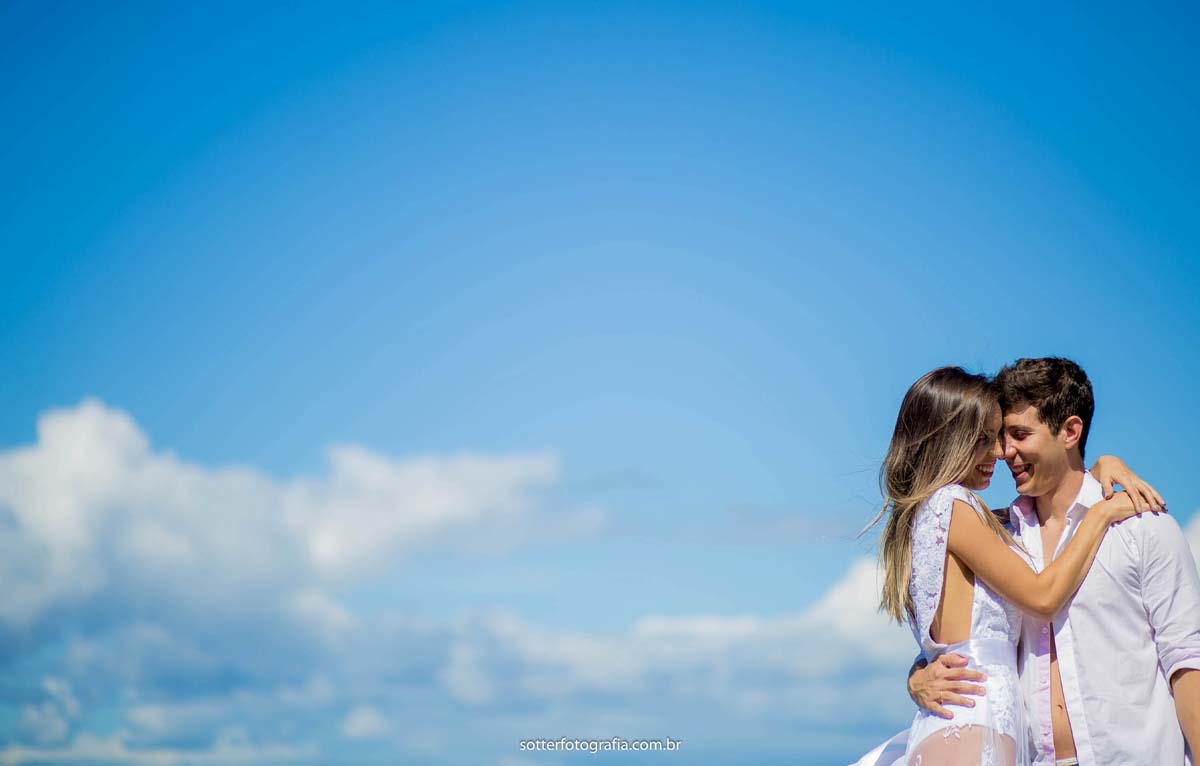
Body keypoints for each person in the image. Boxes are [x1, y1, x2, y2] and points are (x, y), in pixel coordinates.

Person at [901, 358, 1200, 766]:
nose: (1004, 451)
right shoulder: (1004, 535)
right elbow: (969, 633)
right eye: (999, 436)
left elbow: (1188, 660)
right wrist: (919, 675)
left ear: (1070, 432)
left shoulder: (1143, 526)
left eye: (1019, 435)